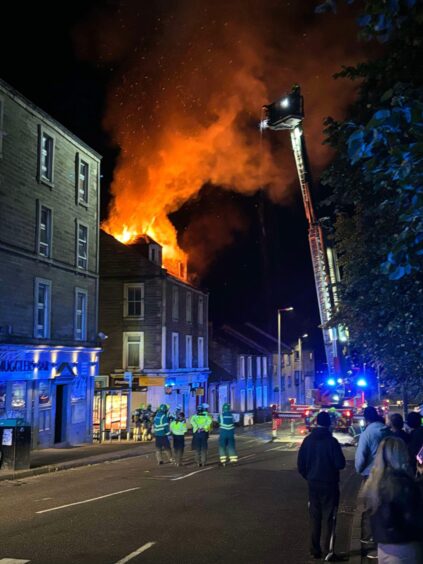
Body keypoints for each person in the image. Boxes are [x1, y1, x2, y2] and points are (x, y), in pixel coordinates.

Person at [363, 436, 423, 563]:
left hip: (383, 548)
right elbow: (416, 518)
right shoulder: (403, 484)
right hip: (405, 547)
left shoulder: (373, 483)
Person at [297, 411, 346, 560]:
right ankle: (328, 551)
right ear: (329, 424)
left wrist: (309, 476)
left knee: (315, 517)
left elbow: (301, 465)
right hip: (329, 484)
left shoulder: (308, 440)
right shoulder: (332, 442)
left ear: (316, 422)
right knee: (330, 518)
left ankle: (314, 549)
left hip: (313, 484)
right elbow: (340, 463)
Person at [355, 406, 391, 545]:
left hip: (371, 475)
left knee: (370, 506)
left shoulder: (367, 434)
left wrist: (359, 469)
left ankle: (371, 536)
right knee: (384, 506)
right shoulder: (387, 431)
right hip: (387, 474)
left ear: (366, 418)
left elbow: (360, 458)